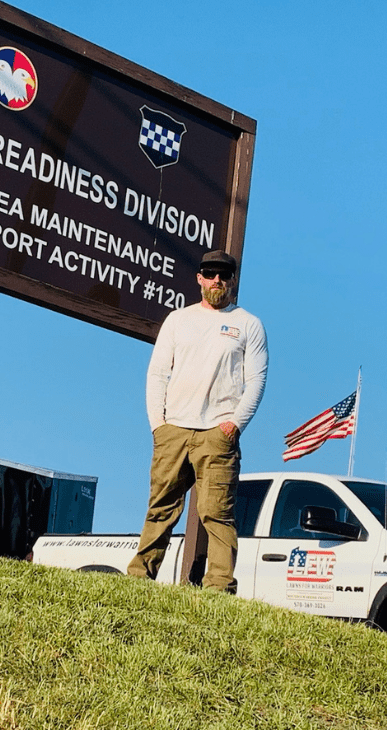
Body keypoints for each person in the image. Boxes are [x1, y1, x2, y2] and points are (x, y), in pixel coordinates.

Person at [127, 250, 268, 593]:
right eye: (210, 273)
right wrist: (158, 424)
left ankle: (218, 586)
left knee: (216, 513)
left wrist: (233, 425)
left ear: (233, 280)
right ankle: (140, 577)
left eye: (224, 275)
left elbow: (257, 380)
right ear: (199, 278)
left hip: (217, 435)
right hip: (173, 430)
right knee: (160, 507)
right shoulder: (178, 320)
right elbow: (158, 373)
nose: (217, 280)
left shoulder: (248, 324)